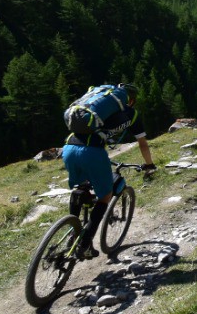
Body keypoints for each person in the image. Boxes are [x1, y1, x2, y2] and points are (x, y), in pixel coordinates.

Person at [61, 82, 155, 259]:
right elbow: (142, 143)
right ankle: (85, 244)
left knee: (80, 188)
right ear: (131, 100)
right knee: (105, 196)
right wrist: (149, 165)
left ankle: (72, 229)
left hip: (68, 148)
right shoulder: (131, 114)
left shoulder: (94, 113)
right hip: (93, 153)